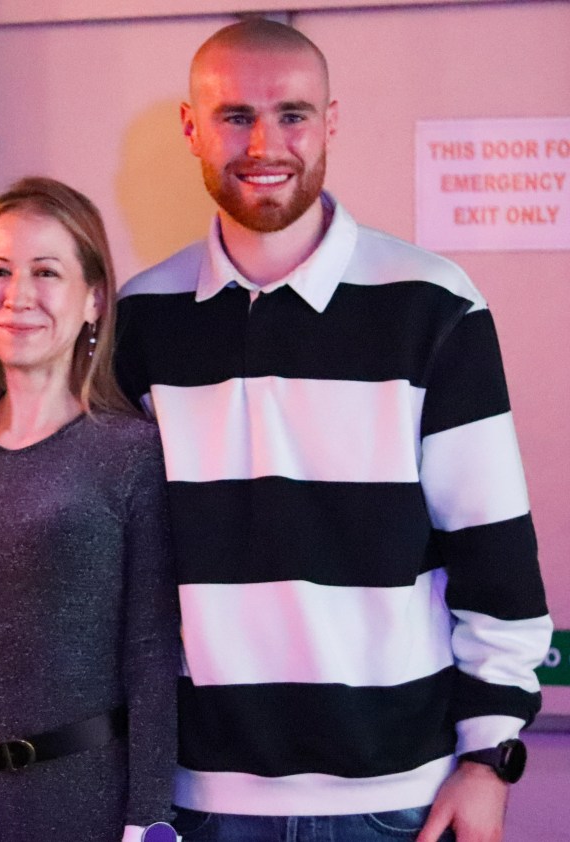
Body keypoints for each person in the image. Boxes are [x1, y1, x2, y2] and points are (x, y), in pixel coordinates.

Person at [113, 17, 552, 842]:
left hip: (397, 799)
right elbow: (107, 565)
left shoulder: (434, 305)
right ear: (191, 128)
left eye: (293, 114)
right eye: (235, 116)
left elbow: (494, 553)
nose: (265, 144)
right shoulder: (139, 319)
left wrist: (490, 756)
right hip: (197, 799)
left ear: (330, 122)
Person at [0, 176, 179, 842]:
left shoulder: (130, 452)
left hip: (86, 805)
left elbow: (151, 656)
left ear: (94, 300)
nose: (18, 295)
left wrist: (149, 821)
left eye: (46, 272)